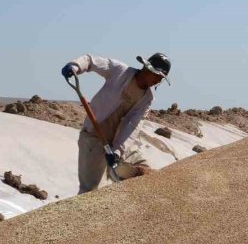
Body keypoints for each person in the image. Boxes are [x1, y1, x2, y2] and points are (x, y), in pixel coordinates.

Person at [61, 53, 171, 194]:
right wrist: (76, 66)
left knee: (145, 171)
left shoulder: (147, 98)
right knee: (89, 189)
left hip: (118, 142)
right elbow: (90, 61)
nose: (158, 81)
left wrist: (118, 151)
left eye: (161, 78)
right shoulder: (120, 71)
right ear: (147, 69)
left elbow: (133, 125)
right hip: (94, 137)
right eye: (157, 76)